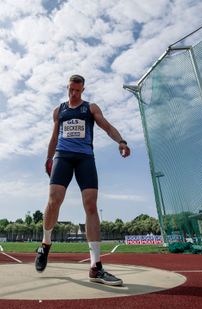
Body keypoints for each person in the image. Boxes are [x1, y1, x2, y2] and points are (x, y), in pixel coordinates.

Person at [35, 74, 131, 286]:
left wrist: (121, 141)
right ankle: (45, 243)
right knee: (54, 200)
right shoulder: (59, 110)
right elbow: (53, 137)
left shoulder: (90, 108)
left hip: (85, 158)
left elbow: (107, 126)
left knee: (91, 205)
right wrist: (49, 157)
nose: (74, 93)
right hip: (62, 156)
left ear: (83, 90)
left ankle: (96, 267)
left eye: (78, 90)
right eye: (71, 89)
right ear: (67, 88)